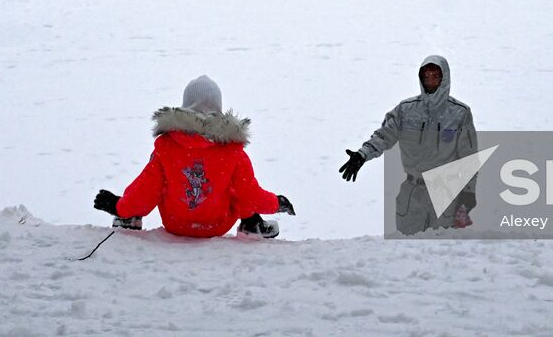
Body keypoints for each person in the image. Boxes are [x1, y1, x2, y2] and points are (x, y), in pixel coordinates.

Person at [93, 75, 294, 238]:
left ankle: (130, 218)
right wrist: (277, 202)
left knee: (152, 183)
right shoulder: (232, 151)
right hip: (217, 225)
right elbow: (251, 196)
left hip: (176, 224)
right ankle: (252, 225)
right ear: (219, 108)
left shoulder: (167, 146)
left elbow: (146, 191)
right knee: (236, 184)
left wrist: (119, 206)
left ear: (185, 105)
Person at [337, 55, 479, 234]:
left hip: (446, 195)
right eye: (426, 76)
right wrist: (362, 155)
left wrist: (468, 193)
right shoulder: (406, 110)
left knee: (443, 254)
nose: (430, 80)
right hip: (412, 196)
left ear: (444, 78)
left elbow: (469, 159)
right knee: (407, 252)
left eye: (435, 75)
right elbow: (383, 136)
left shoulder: (459, 113)